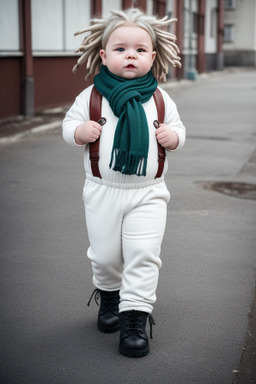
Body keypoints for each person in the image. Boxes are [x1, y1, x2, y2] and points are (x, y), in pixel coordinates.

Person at [62, 7, 186, 358]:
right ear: (103, 55)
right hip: (102, 191)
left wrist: (172, 137)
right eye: (120, 49)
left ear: (153, 56)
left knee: (143, 255)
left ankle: (135, 317)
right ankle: (110, 296)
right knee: (105, 256)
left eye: (139, 49)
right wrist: (79, 131)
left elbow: (180, 130)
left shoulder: (160, 98)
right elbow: (68, 128)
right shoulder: (90, 97)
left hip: (148, 193)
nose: (130, 54)